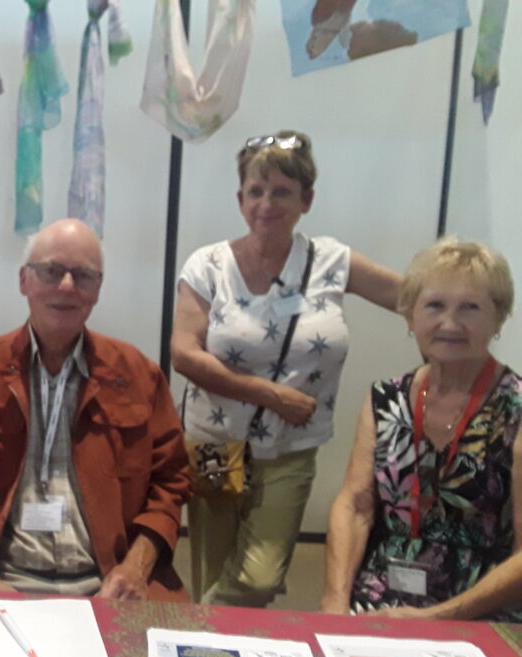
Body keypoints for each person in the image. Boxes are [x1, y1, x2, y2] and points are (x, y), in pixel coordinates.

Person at [171, 130, 402, 607]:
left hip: (291, 448)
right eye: (255, 191)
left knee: (259, 576)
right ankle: (217, 644)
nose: (266, 203)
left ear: (306, 200)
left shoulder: (332, 262)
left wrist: (462, 314)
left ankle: (202, 626)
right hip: (214, 443)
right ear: (240, 200)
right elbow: (184, 353)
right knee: (212, 562)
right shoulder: (208, 266)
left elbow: (414, 299)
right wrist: (271, 395)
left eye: (282, 191)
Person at [0, 218, 192, 600]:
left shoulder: (140, 377)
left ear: (98, 290)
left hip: (110, 584)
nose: (67, 286)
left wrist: (134, 569)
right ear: (23, 280)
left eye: (83, 275)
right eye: (52, 271)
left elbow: (171, 482)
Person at [322, 238, 522, 621]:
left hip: (480, 612)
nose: (449, 323)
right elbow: (355, 505)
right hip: (378, 602)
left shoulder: (516, 407)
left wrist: (436, 619)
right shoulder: (386, 398)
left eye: (470, 307)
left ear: (498, 318)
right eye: (434, 305)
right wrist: (334, 604)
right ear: (410, 317)